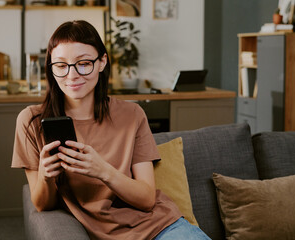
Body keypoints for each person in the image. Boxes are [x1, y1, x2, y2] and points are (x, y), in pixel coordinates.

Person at [11, 20, 211, 240]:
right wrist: (47, 176)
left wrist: (103, 171)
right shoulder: (31, 121)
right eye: (60, 65)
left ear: (102, 62)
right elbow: (41, 205)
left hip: (163, 229)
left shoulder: (132, 114)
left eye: (84, 63)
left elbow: (147, 199)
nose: (72, 75)